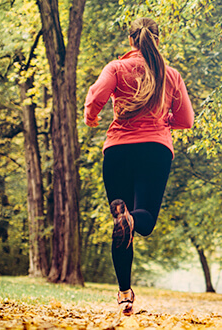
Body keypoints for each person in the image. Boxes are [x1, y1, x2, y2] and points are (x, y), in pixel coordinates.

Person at [83, 17, 194, 316]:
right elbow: (186, 120)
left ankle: (124, 295)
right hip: (155, 151)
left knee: (120, 223)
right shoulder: (170, 75)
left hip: (117, 151)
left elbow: (95, 97)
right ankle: (131, 219)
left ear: (131, 40)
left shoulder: (116, 68)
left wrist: (91, 116)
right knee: (140, 220)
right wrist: (164, 121)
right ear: (157, 40)